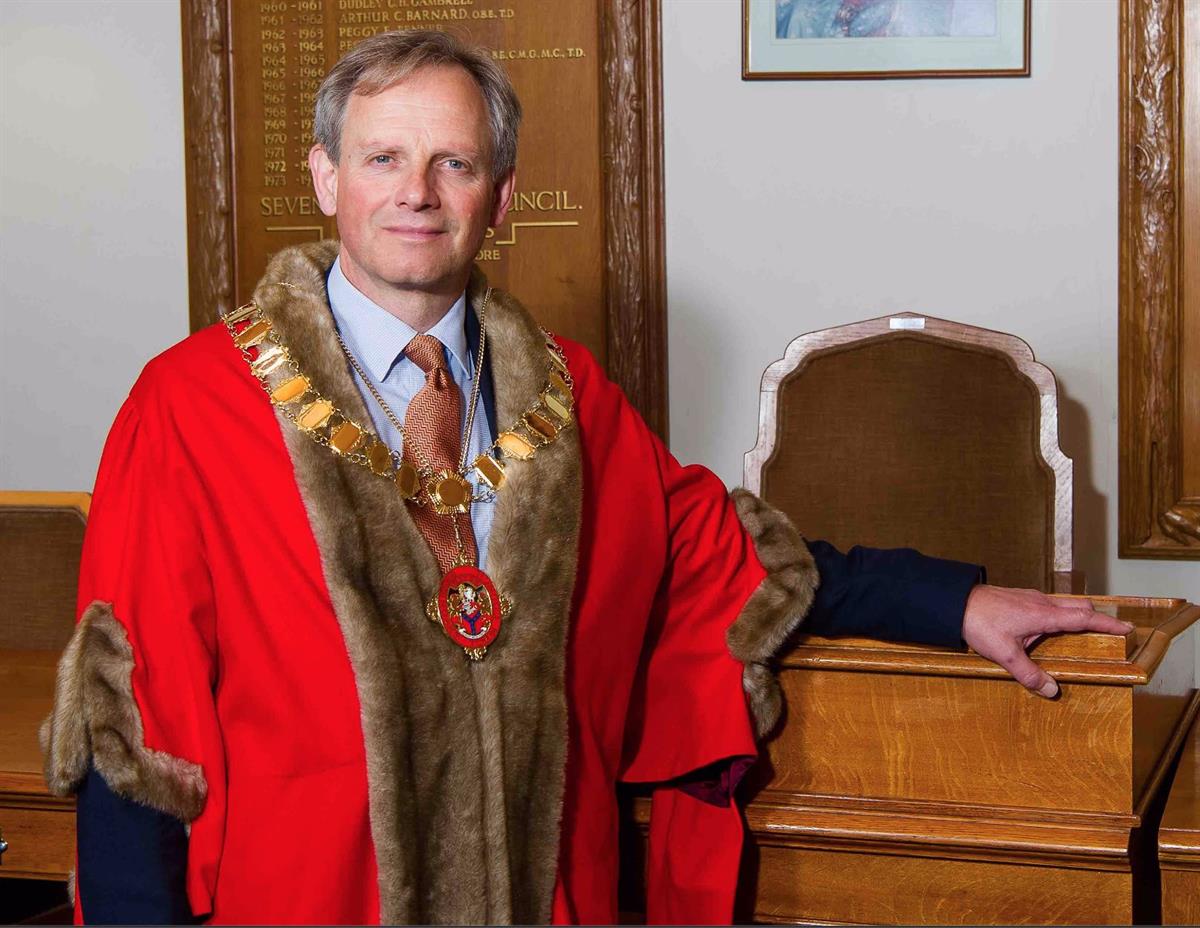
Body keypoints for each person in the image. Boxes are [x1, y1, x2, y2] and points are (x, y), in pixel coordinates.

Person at [41, 28, 1132, 927]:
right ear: (326, 177)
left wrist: (953, 601)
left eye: (454, 164)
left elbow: (723, 556)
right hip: (301, 903)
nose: (417, 193)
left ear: (500, 194)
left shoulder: (568, 402)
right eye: (383, 159)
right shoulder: (191, 407)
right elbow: (128, 731)